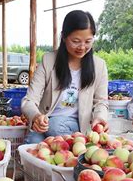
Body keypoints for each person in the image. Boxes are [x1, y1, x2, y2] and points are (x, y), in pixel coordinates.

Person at [21, 10, 109, 144]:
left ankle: (76, 147)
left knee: (56, 126)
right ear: (63, 37)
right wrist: (36, 116)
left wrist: (99, 118)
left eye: (88, 41)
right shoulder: (49, 61)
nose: (82, 47)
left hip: (77, 126)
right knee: (32, 143)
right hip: (46, 123)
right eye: (76, 41)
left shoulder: (99, 66)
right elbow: (29, 100)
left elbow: (101, 102)